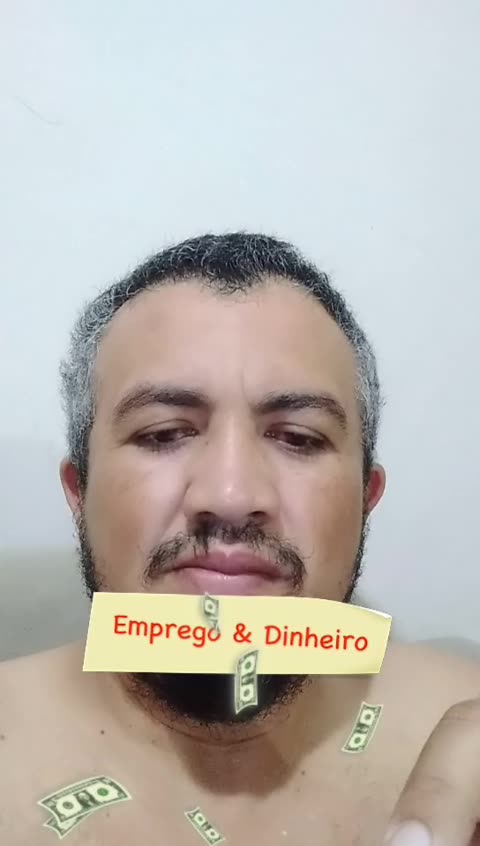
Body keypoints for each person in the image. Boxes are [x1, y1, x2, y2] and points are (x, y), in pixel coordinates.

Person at [1, 232, 479, 846]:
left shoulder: (462, 716)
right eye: (163, 433)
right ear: (79, 492)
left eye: (299, 438)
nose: (230, 494)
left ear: (367, 498)